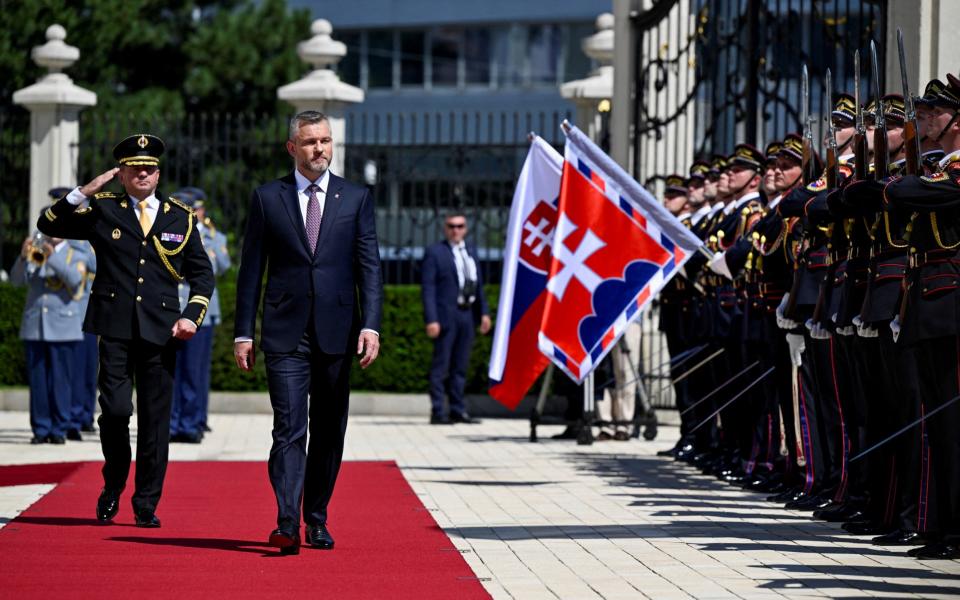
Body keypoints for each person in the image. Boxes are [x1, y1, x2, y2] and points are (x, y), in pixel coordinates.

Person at [37, 133, 215, 528]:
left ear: (158, 172)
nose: (143, 174)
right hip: (114, 327)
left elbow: (203, 275)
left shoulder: (179, 217)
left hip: (162, 330)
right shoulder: (103, 210)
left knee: (155, 422)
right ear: (122, 174)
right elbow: (48, 222)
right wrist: (84, 191)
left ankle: (146, 502)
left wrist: (192, 315)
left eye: (150, 168)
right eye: (135, 168)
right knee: (116, 413)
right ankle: (114, 481)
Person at [234, 110, 383, 555]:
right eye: (310, 141)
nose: (319, 149)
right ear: (291, 147)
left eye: (325, 140)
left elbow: (369, 267)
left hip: (339, 333)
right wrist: (245, 332)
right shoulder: (267, 198)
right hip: (284, 335)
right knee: (289, 428)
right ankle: (287, 521)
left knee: (329, 430)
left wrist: (371, 324)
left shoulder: (355, 198)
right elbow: (250, 272)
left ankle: (316, 518)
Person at [11, 222, 87, 444]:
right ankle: (41, 428)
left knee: (61, 381)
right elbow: (18, 281)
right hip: (36, 325)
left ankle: (59, 428)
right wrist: (24, 257)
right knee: (38, 382)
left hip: (63, 326)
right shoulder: (37, 252)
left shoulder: (75, 253)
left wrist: (53, 256)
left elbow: (74, 280)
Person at [170, 187, 231, 443]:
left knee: (194, 372)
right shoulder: (168, 233)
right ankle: (172, 424)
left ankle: (191, 423)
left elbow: (219, 268)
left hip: (199, 311)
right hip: (173, 309)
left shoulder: (210, 237)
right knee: (171, 372)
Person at [421, 211, 492, 425]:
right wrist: (431, 319)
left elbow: (477, 284)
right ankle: (437, 410)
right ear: (445, 228)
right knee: (441, 364)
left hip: (467, 313)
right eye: (452, 226)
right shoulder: (435, 252)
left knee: (460, 365)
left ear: (466, 229)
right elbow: (428, 288)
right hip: (446, 315)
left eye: (460, 226)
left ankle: (458, 409)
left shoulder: (471, 251)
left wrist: (484, 313)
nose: (456, 230)